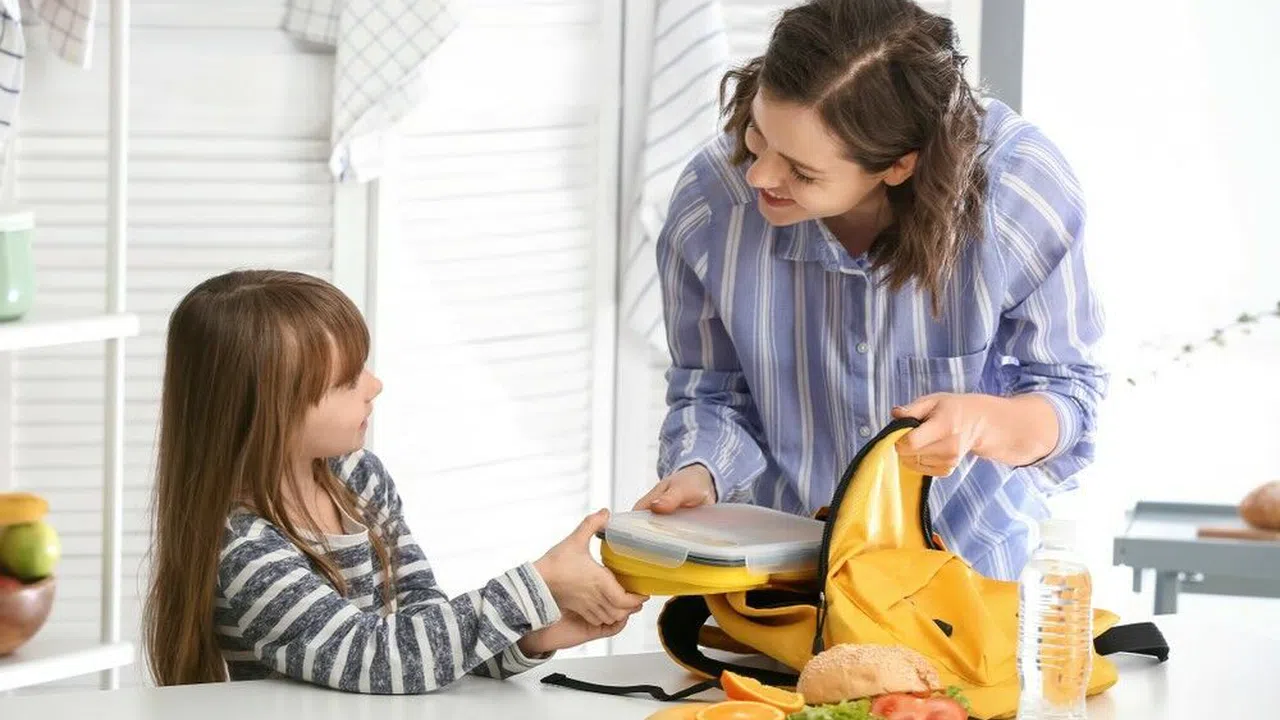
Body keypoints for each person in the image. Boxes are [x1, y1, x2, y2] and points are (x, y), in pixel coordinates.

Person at [633, 0, 1106, 580]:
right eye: (758, 135)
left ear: (898, 166)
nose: (758, 175)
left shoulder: (1017, 192)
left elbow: (1069, 394)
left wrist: (980, 424)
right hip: (786, 576)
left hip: (970, 571)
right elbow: (711, 392)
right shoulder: (712, 204)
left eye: (801, 172)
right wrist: (699, 471)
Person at [143, 270, 645, 692]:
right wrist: (538, 584)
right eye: (346, 381)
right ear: (267, 413)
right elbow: (376, 658)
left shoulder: (358, 478)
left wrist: (533, 633)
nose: (374, 385)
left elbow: (422, 627)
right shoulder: (245, 551)